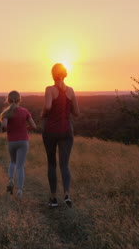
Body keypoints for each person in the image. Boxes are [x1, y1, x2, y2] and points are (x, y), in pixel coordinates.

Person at [41, 63, 80, 208]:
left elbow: (48, 106)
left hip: (50, 130)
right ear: (65, 74)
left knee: (52, 163)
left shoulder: (49, 90)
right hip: (66, 130)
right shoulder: (70, 91)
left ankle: (53, 198)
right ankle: (67, 194)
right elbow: (77, 112)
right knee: (65, 164)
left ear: (52, 74)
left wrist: (43, 113)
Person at [0, 91, 37, 199]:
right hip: (23, 141)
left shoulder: (7, 112)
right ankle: (20, 191)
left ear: (9, 100)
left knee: (13, 162)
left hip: (12, 141)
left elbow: (4, 126)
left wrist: (5, 129)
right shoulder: (25, 111)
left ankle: (11, 179)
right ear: (19, 99)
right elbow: (34, 126)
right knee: (20, 166)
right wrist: (24, 128)